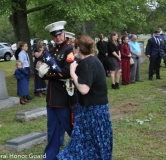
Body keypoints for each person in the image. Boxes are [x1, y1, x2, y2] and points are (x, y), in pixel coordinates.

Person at [57, 35, 113, 160]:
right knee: (90, 140)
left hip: (94, 110)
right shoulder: (89, 61)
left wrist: (72, 73)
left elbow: (83, 89)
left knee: (91, 141)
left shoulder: (89, 63)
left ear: (78, 49)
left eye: (74, 47)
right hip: (89, 109)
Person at [39, 21, 77, 160]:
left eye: (60, 34)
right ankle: (50, 156)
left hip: (64, 97)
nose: (58, 37)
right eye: (54, 35)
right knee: (53, 131)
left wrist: (46, 75)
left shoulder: (69, 49)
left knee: (71, 128)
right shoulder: (51, 50)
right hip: (52, 98)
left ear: (64, 33)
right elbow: (46, 66)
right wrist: (41, 71)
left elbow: (67, 72)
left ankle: (82, 151)